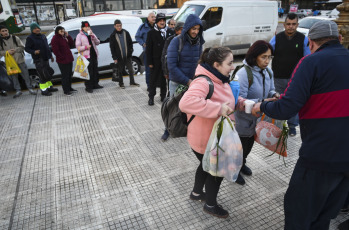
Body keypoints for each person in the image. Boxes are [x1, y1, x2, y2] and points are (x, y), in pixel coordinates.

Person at [252, 20, 349, 230]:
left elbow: (287, 108)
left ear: (311, 43)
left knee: (299, 211)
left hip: (322, 153)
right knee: (325, 214)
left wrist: (261, 107)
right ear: (340, 39)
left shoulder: (310, 63)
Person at [179, 47, 236, 219]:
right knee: (216, 172)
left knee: (204, 166)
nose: (233, 67)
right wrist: (218, 109)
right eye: (230, 63)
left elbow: (227, 100)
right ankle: (210, 205)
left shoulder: (220, 78)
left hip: (211, 137)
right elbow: (185, 102)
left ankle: (196, 194)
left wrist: (244, 104)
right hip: (206, 139)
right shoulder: (204, 81)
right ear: (216, 65)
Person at [234, 40, 279, 186]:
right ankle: (235, 169)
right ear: (254, 56)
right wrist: (262, 100)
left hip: (257, 118)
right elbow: (239, 100)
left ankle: (242, 163)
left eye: (269, 57)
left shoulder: (268, 72)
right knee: (240, 146)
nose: (267, 61)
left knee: (249, 144)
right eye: (263, 57)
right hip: (242, 119)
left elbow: (270, 89)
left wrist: (275, 94)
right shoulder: (243, 73)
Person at [269, 13, 311, 136]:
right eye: (288, 24)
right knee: (278, 102)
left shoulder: (303, 39)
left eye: (293, 24)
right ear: (284, 25)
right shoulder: (277, 38)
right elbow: (267, 51)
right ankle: (277, 126)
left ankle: (292, 127)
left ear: (297, 25)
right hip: (278, 77)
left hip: (295, 79)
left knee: (294, 102)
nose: (291, 27)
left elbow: (308, 58)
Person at [167, 14, 204, 97]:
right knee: (175, 109)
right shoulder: (176, 41)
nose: (196, 32)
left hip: (192, 85)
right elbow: (172, 66)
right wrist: (187, 81)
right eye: (194, 29)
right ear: (188, 28)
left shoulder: (198, 42)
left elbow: (200, 63)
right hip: (177, 84)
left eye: (198, 29)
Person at [159, 21, 184, 141]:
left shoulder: (190, 41)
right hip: (174, 78)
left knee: (186, 103)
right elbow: (165, 57)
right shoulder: (170, 40)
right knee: (171, 104)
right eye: (182, 30)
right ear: (177, 30)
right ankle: (167, 129)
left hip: (187, 79)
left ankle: (184, 127)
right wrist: (166, 72)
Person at [146, 13, 174, 106]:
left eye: (163, 20)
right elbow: (148, 49)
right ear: (157, 22)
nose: (162, 22)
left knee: (164, 79)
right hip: (155, 60)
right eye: (160, 21)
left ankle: (163, 96)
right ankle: (151, 97)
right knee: (153, 80)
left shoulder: (170, 31)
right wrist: (149, 62)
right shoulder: (151, 33)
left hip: (167, 61)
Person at [0, 25, 36, 98]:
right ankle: (18, 90)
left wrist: (15, 50)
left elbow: (22, 47)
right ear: (0, 32)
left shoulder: (15, 38)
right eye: (3, 31)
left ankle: (30, 89)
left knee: (25, 75)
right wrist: (7, 52)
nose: (5, 32)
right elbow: (0, 52)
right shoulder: (0, 41)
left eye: (6, 30)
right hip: (10, 63)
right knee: (14, 77)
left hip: (20, 60)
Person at [25, 23, 58, 96]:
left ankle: (49, 87)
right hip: (38, 59)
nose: (37, 29)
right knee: (42, 75)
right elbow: (27, 48)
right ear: (32, 30)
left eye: (38, 28)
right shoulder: (30, 38)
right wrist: (34, 51)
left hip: (45, 58)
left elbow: (47, 47)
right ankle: (44, 90)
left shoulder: (43, 36)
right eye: (35, 28)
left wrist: (51, 56)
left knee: (48, 73)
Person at [109, 19, 139, 89]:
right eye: (117, 26)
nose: (119, 27)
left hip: (127, 56)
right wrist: (114, 57)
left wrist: (130, 51)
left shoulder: (126, 32)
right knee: (120, 71)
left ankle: (132, 82)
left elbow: (130, 43)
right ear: (114, 26)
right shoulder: (113, 35)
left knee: (131, 70)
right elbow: (112, 47)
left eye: (120, 26)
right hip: (119, 57)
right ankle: (121, 83)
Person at [75, 21, 102, 94]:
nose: (87, 28)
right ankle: (88, 87)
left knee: (95, 70)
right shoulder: (79, 35)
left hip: (94, 55)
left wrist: (93, 36)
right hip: (86, 56)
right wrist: (86, 47)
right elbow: (78, 47)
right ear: (82, 28)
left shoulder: (91, 33)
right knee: (88, 72)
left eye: (88, 27)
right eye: (85, 27)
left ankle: (95, 84)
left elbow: (98, 42)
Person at [51, 26, 76, 96]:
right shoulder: (55, 39)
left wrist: (68, 36)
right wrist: (62, 58)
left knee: (69, 74)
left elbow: (71, 44)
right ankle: (66, 90)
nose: (62, 33)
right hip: (62, 61)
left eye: (63, 31)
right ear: (57, 31)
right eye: (61, 31)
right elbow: (56, 51)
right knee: (65, 75)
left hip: (69, 59)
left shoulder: (64, 37)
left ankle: (70, 88)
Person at [135, 12, 156, 90]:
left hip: (156, 52)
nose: (154, 18)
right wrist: (143, 43)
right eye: (152, 17)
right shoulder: (142, 27)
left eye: (154, 17)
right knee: (148, 70)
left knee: (156, 70)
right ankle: (149, 86)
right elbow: (137, 37)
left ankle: (155, 84)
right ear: (148, 18)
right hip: (147, 53)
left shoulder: (157, 26)